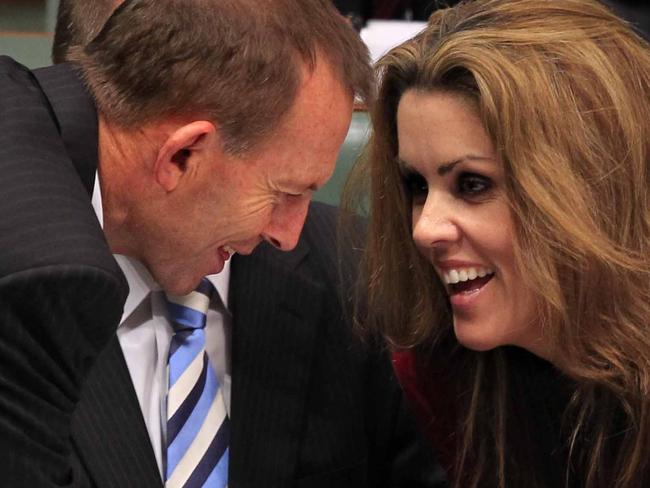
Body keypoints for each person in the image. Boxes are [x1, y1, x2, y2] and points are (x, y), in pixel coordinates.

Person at [11, 1, 449, 487]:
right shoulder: (25, 276)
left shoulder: (363, 273)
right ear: (181, 156)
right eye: (285, 193)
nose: (287, 235)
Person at [345, 0, 650, 486]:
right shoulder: (442, 378)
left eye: (472, 185)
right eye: (417, 187)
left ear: (593, 189)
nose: (425, 229)